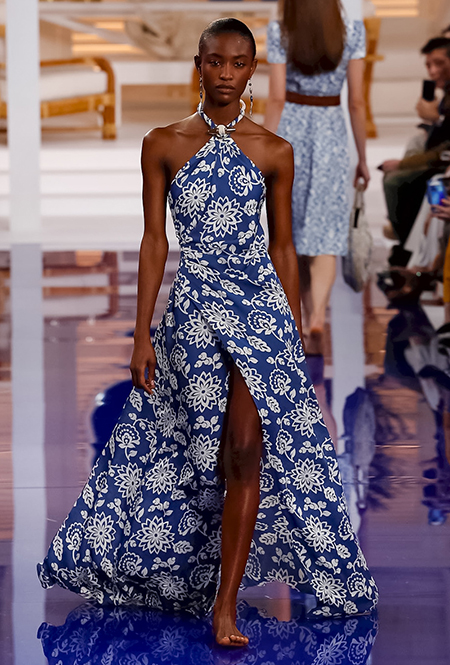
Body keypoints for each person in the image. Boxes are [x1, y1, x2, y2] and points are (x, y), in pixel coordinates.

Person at [37, 18, 378, 648]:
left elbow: (284, 247)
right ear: (198, 65)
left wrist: (291, 330)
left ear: (252, 70)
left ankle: (225, 604)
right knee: (200, 454)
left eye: (238, 63)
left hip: (259, 311)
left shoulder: (275, 150)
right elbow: (153, 241)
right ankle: (190, 575)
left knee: (245, 450)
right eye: (215, 61)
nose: (225, 73)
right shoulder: (162, 144)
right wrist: (140, 334)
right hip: (193, 309)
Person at [264, 0, 368, 348]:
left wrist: (263, 147)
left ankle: (302, 319)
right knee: (325, 233)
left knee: (290, 231)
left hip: (291, 133)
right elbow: (357, 102)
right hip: (331, 132)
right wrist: (362, 157)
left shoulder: (281, 32)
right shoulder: (353, 31)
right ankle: (319, 317)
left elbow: (276, 98)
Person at [381, 38, 450, 264]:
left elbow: (443, 150)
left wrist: (437, 119)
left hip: (442, 165)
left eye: (439, 63)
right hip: (440, 160)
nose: (432, 71)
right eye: (428, 65)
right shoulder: (446, 93)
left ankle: (407, 248)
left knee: (397, 181)